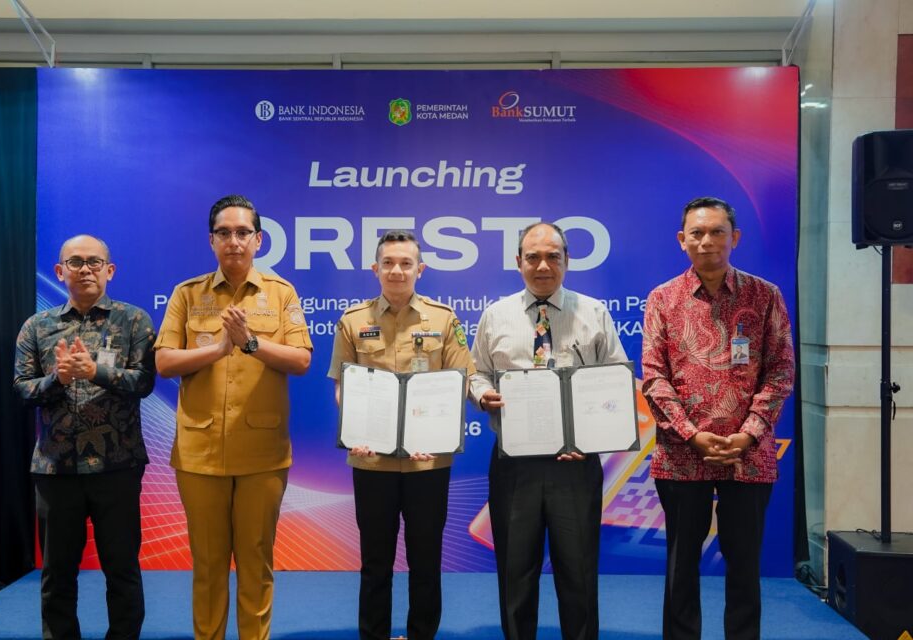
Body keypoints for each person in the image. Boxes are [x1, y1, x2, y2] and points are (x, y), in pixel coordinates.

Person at [154, 194, 313, 640]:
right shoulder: (188, 294)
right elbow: (164, 362)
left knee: (256, 563)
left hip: (262, 453)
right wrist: (219, 349)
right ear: (211, 241)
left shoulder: (281, 294)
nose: (234, 241)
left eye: (243, 233)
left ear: (258, 240)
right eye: (224, 233)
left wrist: (251, 344)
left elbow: (301, 360)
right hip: (200, 453)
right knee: (207, 565)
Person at [641, 196, 795, 640]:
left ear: (735, 237)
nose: (706, 241)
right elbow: (654, 377)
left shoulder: (765, 296)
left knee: (744, 565)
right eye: (697, 233)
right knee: (681, 564)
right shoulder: (662, 299)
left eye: (717, 232)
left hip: (748, 457)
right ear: (681, 240)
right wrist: (691, 435)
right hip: (682, 455)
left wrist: (748, 434)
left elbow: (781, 371)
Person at [469, 222, 627, 640]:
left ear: (567, 260)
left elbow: (616, 382)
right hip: (514, 464)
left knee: (578, 572)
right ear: (518, 261)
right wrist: (483, 396)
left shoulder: (593, 312)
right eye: (533, 257)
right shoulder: (496, 315)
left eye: (553, 256)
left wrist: (592, 438)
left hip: (575, 463)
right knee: (515, 574)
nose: (543, 266)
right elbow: (476, 373)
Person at [327, 230, 476, 640]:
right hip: (370, 458)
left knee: (426, 560)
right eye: (388, 263)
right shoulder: (353, 321)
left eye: (406, 263)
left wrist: (437, 431)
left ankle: (421, 634)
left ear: (420, 269)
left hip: (428, 460)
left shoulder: (444, 319)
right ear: (375, 269)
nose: (397, 270)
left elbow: (461, 381)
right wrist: (355, 427)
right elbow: (342, 386)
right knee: (375, 561)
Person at [14, 234, 155, 640]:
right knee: (57, 573)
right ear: (60, 272)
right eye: (75, 262)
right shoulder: (37, 326)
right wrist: (56, 379)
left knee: (122, 569)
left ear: (110, 270)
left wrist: (97, 372)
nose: (85, 269)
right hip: (55, 467)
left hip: (118, 465)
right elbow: (22, 389)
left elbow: (144, 382)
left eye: (94, 262)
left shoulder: (133, 321)